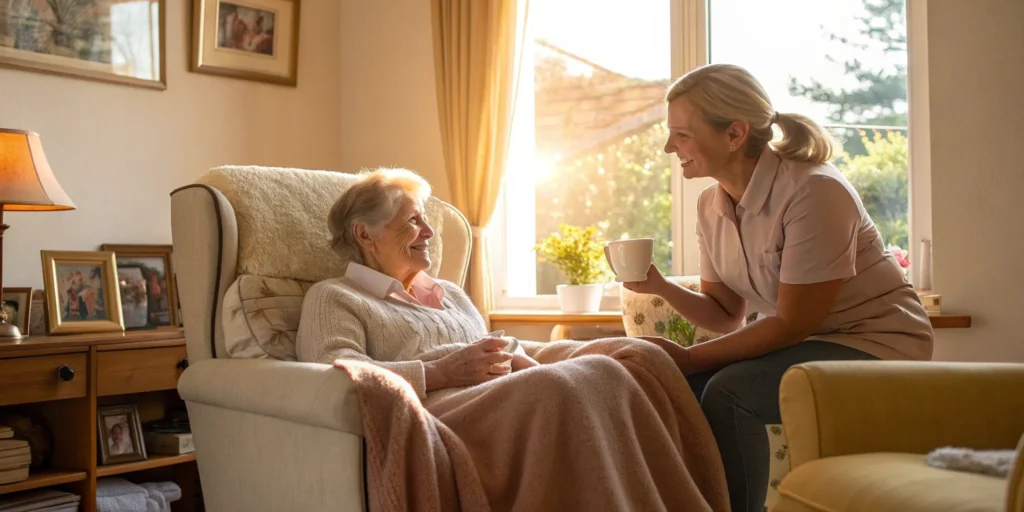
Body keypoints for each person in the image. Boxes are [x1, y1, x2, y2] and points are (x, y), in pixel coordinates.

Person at [295, 168, 729, 511]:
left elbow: (491, 348)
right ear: (365, 234)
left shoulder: (451, 295)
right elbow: (332, 379)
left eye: (426, 220)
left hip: (498, 395)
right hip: (438, 414)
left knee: (615, 368)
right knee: (561, 385)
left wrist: (522, 357)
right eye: (412, 221)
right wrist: (440, 371)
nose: (428, 231)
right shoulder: (333, 298)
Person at [625, 63, 934, 512]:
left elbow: (792, 323)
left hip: (879, 344)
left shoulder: (814, 191)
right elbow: (724, 311)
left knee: (731, 393)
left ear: (734, 134)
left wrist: (689, 359)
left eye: (682, 134)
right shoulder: (711, 204)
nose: (669, 146)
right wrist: (659, 286)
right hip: (809, 341)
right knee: (678, 391)